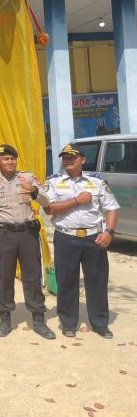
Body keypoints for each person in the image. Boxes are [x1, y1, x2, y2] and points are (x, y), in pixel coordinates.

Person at [41, 143, 119, 339]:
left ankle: (100, 323)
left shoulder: (97, 182)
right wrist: (77, 200)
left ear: (82, 160)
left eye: (72, 157)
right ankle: (68, 322)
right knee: (66, 281)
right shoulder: (54, 182)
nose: (68, 161)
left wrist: (109, 232)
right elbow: (49, 209)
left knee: (97, 281)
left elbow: (112, 208)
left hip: (94, 237)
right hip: (66, 237)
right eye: (65, 158)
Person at [0, 145, 56, 340]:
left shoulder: (28, 178)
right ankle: (5, 318)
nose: (9, 162)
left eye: (12, 159)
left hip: (27, 235)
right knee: (4, 277)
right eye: (5, 159)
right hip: (3, 234)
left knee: (32, 276)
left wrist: (33, 190)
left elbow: (47, 201)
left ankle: (38, 318)